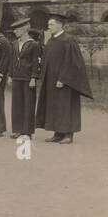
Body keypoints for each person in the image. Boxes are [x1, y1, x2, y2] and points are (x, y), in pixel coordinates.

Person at [35, 12, 93, 144]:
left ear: (60, 25)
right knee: (55, 106)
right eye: (48, 24)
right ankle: (58, 132)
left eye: (52, 24)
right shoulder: (51, 40)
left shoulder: (68, 40)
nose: (48, 26)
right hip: (51, 81)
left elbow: (73, 62)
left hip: (64, 82)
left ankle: (68, 134)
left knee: (66, 106)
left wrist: (63, 78)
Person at [8, 17, 42, 137]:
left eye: (17, 29)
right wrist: (10, 76)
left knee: (28, 104)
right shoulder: (14, 43)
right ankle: (18, 129)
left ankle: (27, 131)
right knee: (17, 104)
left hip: (28, 78)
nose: (15, 31)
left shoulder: (34, 44)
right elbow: (12, 61)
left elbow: (36, 62)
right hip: (17, 76)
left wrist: (34, 77)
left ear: (24, 29)